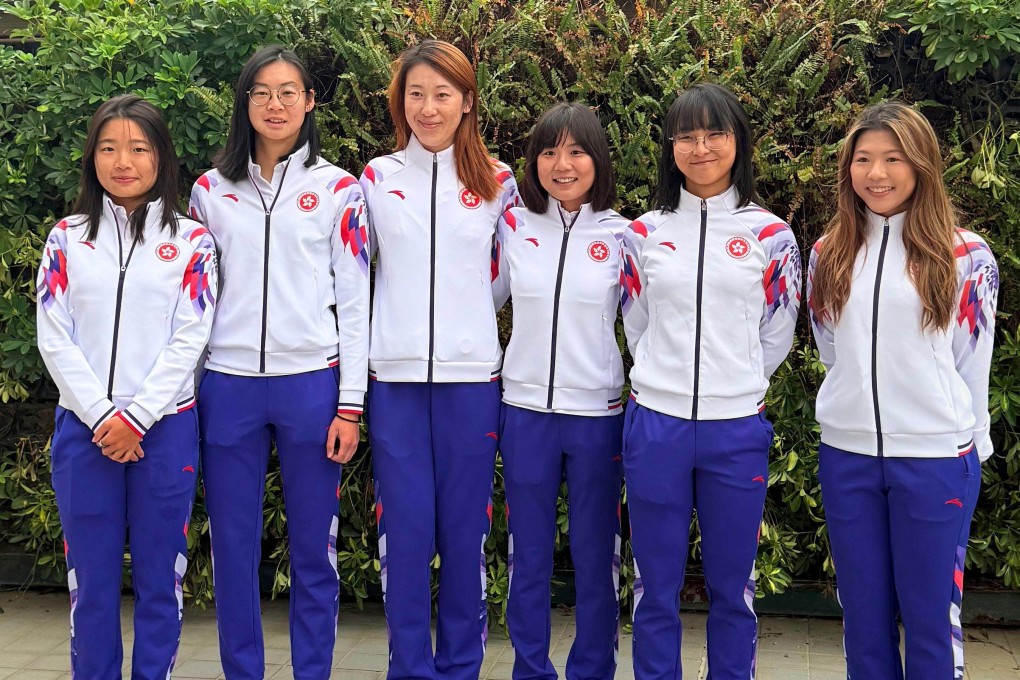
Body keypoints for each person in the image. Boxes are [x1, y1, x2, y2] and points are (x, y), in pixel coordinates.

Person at [187, 45, 370, 680]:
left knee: (313, 551)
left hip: (311, 386)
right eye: (262, 92)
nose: (275, 103)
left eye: (289, 91)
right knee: (233, 550)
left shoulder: (340, 188)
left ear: (310, 102)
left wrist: (351, 403)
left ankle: (312, 671)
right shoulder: (210, 191)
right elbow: (193, 301)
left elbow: (354, 298)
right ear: (245, 103)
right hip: (229, 387)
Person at [808, 101, 997, 680]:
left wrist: (970, 444)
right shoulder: (827, 253)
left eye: (893, 158)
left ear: (921, 163)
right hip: (848, 458)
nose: (877, 173)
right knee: (862, 621)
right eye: (863, 159)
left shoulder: (965, 255)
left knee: (931, 624)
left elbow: (972, 362)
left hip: (936, 459)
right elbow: (830, 349)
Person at [620, 83, 801, 679]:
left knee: (734, 587)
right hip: (657, 428)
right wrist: (665, 383)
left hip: (735, 430)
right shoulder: (642, 234)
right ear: (670, 148)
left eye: (714, 134)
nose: (700, 148)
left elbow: (779, 332)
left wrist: (739, 384)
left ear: (737, 143)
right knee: (654, 585)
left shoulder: (772, 236)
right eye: (686, 136)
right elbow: (636, 322)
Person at [37, 94, 217, 679]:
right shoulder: (66, 239)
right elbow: (53, 336)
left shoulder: (192, 241)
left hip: (163, 434)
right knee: (90, 589)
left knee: (160, 588)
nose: (123, 162)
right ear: (92, 157)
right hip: (83, 435)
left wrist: (136, 417)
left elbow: (191, 337)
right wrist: (100, 415)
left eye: (139, 149)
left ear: (161, 157)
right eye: (109, 148)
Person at [359, 39, 519, 680]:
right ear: (401, 102)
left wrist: (466, 325)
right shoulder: (375, 178)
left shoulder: (500, 182)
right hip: (393, 383)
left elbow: (505, 275)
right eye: (416, 94)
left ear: (466, 102)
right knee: (403, 537)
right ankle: (409, 669)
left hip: (470, 383)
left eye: (442, 94)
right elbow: (360, 273)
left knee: (464, 538)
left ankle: (460, 668)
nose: (428, 107)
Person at [491, 102, 627, 680]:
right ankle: (530, 669)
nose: (562, 164)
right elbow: (482, 302)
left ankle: (592, 668)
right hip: (525, 411)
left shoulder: (627, 235)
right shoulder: (514, 226)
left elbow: (646, 323)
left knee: (598, 556)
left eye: (575, 151)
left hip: (599, 414)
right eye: (549, 151)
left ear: (596, 159)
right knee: (529, 556)